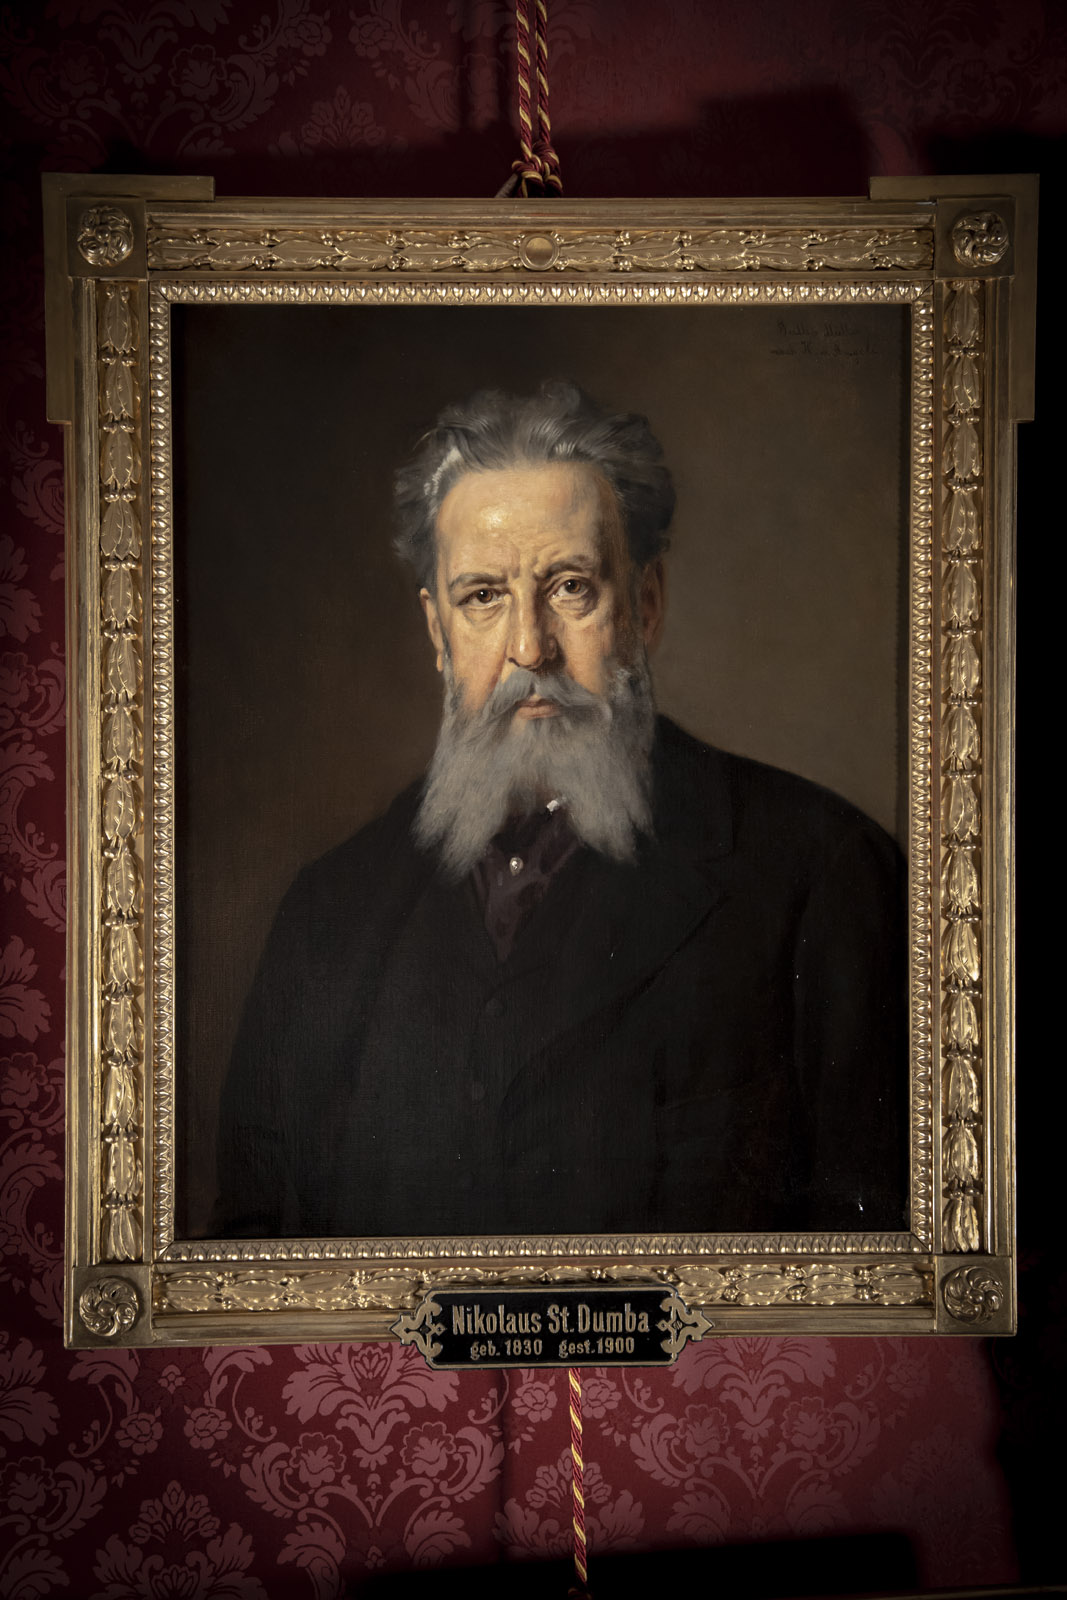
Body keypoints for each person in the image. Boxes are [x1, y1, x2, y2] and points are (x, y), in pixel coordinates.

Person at [214, 383, 907, 1240]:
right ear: (436, 634)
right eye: (482, 597)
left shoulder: (821, 875)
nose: (529, 648)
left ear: (644, 604)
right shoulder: (326, 915)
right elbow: (249, 1266)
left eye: (570, 587)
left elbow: (877, 1278)